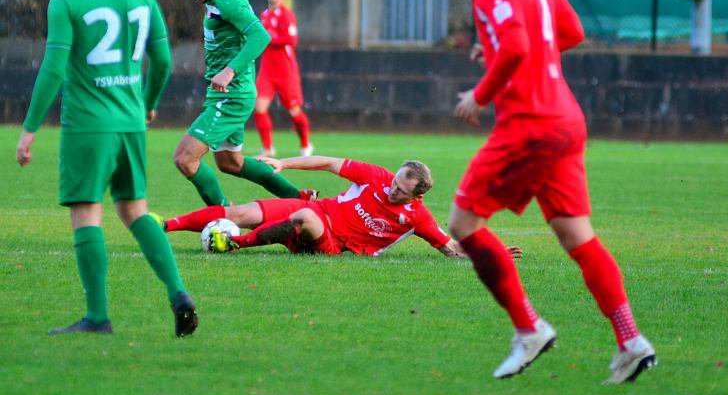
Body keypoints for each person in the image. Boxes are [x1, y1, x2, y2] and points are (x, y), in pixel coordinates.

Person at [448, 0, 655, 383]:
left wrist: (479, 95)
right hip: (565, 117)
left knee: (462, 223)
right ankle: (630, 340)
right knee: (576, 236)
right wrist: (499, 49)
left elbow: (518, 45)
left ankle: (528, 328)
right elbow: (572, 32)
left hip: (529, 123)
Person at [15, 0, 198, 337]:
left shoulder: (66, 0)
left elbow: (54, 66)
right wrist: (148, 105)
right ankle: (178, 292)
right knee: (134, 210)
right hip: (131, 122)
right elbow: (165, 61)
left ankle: (98, 317)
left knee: (86, 213)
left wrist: (30, 129)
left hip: (88, 125)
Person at [159, 157, 514, 260]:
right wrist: (284, 163)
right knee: (240, 213)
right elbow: (329, 163)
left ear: (414, 197)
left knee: (303, 217)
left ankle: (235, 244)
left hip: (330, 242)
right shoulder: (378, 177)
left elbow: (449, 247)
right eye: (394, 183)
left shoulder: (416, 217)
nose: (392, 190)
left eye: (401, 191)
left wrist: (490, 252)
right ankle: (166, 227)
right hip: (318, 211)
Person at [174, 0, 304, 206]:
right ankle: (302, 200)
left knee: (185, 159)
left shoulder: (227, 0)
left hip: (231, 95)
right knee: (231, 163)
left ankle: (223, 216)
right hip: (225, 93)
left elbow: (260, 35)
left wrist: (228, 70)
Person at [255, 0, 313, 157]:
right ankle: (267, 148)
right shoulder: (263, 15)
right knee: (259, 107)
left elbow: (291, 40)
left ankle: (305, 145)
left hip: (285, 71)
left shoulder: (287, 15)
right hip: (267, 70)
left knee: (294, 111)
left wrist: (269, 39)